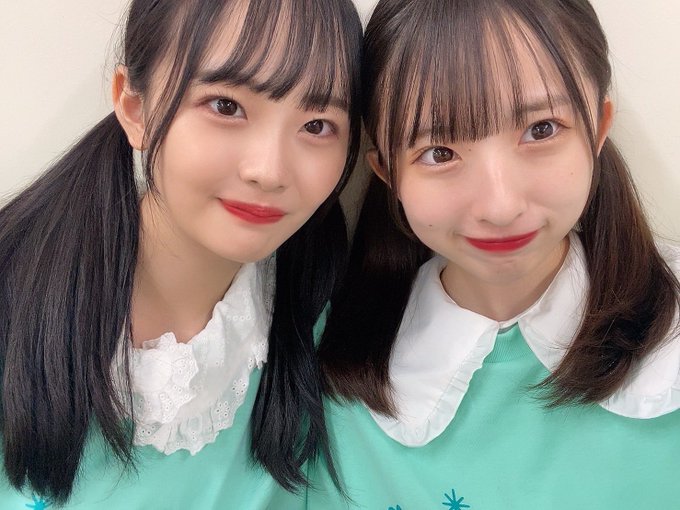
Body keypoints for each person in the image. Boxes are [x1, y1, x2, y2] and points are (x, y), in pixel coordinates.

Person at [311, 0, 680, 508]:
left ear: (598, 128)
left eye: (541, 129)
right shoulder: (322, 367)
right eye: (439, 153)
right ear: (388, 171)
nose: (500, 206)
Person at [0, 0, 362, 508]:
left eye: (317, 125)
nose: (270, 171)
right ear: (135, 108)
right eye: (226, 106)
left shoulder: (319, 311)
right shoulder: (14, 303)